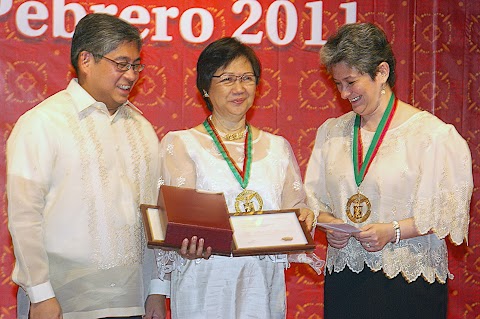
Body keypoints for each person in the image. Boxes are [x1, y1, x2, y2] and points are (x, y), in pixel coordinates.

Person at [304, 22, 473, 319]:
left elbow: (445, 211)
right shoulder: (332, 133)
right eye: (338, 84)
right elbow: (314, 201)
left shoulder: (431, 135)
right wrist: (331, 227)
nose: (344, 93)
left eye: (351, 82)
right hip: (346, 277)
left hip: (408, 279)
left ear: (381, 72)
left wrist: (392, 231)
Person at [145, 37, 322, 319]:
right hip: (204, 281)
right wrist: (183, 244)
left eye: (247, 78)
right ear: (205, 87)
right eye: (227, 79)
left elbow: (296, 207)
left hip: (261, 284)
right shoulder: (180, 144)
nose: (239, 88)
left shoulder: (278, 148)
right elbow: (176, 221)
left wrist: (304, 217)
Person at [7, 13, 164, 319]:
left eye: (135, 65)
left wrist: (157, 288)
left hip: (132, 302)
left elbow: (155, 216)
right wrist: (40, 295)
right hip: (60, 304)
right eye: (121, 64)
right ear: (86, 60)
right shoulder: (41, 123)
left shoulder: (143, 129)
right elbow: (24, 217)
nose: (131, 75)